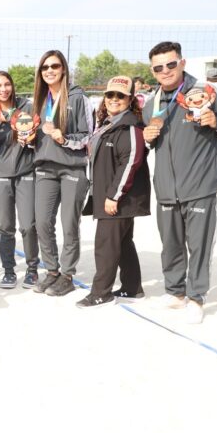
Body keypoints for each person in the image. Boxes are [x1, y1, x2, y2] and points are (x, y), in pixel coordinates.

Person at [142, 41, 217, 323]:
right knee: (170, 244)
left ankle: (196, 297)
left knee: (200, 245)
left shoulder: (207, 92)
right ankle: (176, 293)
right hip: (167, 187)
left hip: (201, 184)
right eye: (159, 67)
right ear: (153, 71)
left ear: (182, 62)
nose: (165, 70)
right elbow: (148, 143)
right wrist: (147, 138)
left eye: (171, 64)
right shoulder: (150, 103)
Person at [76, 76, 150, 308]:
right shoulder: (109, 123)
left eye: (121, 95)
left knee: (105, 245)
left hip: (119, 199)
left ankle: (101, 293)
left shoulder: (129, 126)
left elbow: (131, 162)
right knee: (124, 243)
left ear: (130, 100)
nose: (114, 99)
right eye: (110, 95)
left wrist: (113, 196)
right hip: (112, 196)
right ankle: (132, 287)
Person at [31, 50, 92, 297]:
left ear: (63, 69)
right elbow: (33, 134)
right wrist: (26, 139)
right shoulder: (38, 100)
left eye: (54, 66)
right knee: (43, 222)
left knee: (69, 223)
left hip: (72, 167)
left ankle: (67, 274)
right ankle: (52, 270)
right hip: (45, 167)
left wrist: (64, 139)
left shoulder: (78, 98)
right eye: (45, 67)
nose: (49, 70)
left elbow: (88, 136)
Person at [0, 71, 39, 290]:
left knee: (29, 225)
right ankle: (9, 271)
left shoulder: (27, 108)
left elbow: (37, 140)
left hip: (25, 172)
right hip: (0, 174)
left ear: (12, 86)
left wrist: (30, 139)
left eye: (6, 84)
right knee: (5, 226)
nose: (3, 89)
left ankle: (32, 270)